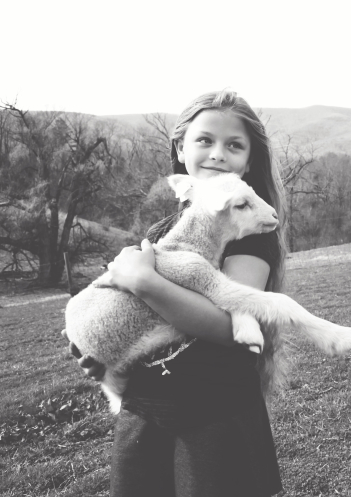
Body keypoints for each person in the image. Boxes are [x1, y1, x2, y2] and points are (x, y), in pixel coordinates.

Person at [65, 90, 287, 497]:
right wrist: (104, 352)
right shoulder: (165, 231)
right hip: (145, 407)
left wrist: (145, 283)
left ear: (249, 162)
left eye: (234, 146)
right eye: (205, 140)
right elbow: (135, 312)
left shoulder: (247, 236)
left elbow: (230, 327)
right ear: (180, 147)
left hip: (213, 410)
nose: (218, 154)